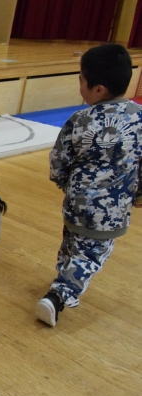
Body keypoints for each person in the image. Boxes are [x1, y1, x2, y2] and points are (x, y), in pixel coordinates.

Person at [36, 43, 142, 327]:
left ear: (98, 89)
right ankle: (60, 294)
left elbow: (59, 159)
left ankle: (64, 272)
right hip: (111, 211)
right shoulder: (139, 118)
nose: (79, 84)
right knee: (93, 254)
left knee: (73, 241)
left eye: (81, 79)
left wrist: (65, 183)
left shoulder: (79, 120)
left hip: (76, 202)